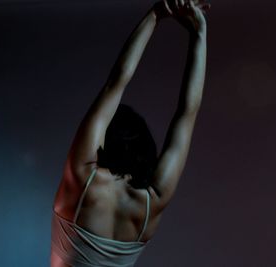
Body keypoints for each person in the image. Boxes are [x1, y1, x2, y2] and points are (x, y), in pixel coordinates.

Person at [51, 0, 210, 266]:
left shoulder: (83, 180)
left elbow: (117, 82)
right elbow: (187, 112)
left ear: (106, 139)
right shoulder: (151, 203)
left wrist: (156, 13)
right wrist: (199, 34)